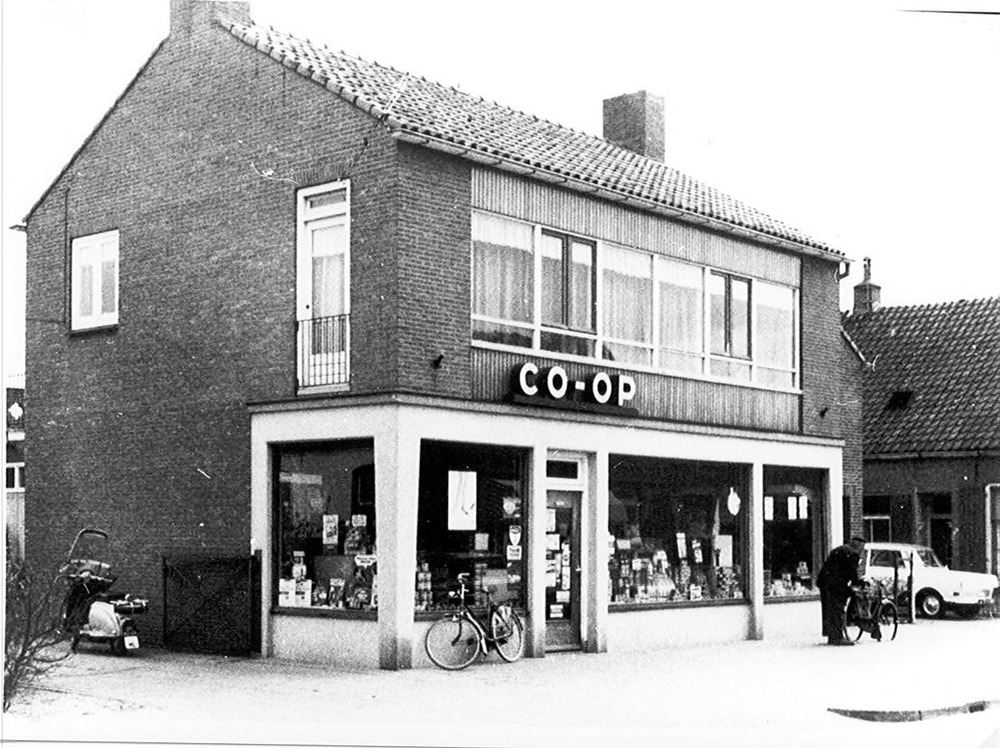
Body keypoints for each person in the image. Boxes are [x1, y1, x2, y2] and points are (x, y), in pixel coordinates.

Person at [816, 536, 865, 646]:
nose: (862, 550)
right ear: (859, 545)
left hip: (824, 582)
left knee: (828, 609)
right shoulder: (853, 554)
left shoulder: (839, 549)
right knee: (837, 608)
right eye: (862, 547)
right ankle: (838, 637)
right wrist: (858, 583)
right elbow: (852, 572)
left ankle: (831, 635)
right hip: (835, 584)